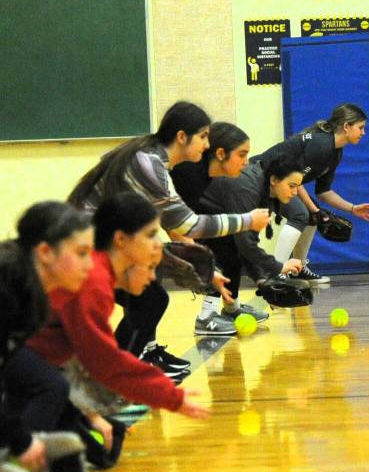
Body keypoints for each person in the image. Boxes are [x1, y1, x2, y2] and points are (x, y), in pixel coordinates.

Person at [68, 102, 271, 358]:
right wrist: (247, 221)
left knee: (148, 298)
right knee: (150, 299)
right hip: (86, 248)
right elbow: (189, 224)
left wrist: (207, 270)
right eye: (203, 137)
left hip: (101, 244)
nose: (206, 145)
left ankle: (134, 361)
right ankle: (120, 370)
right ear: (182, 137)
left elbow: (170, 224)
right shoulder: (149, 165)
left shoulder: (153, 160)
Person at [28, 193, 211, 460]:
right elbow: (105, 362)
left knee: (91, 458)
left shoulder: (99, 273)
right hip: (16, 358)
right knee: (50, 391)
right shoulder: (94, 280)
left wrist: (92, 413)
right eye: (150, 234)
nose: (155, 242)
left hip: (34, 361)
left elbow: (76, 359)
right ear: (121, 239)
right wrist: (168, 396)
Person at [0, 202, 97, 472]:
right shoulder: (7, 288)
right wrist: (21, 441)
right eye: (81, 252)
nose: (90, 264)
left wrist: (16, 439)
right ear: (45, 251)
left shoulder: (31, 295)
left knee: (46, 385)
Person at [248, 103, 369, 285]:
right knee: (302, 214)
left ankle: (296, 269)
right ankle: (275, 272)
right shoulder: (322, 145)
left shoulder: (335, 152)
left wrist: (352, 208)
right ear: (347, 127)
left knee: (309, 216)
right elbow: (293, 178)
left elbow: (324, 192)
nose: (363, 132)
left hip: (277, 181)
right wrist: (314, 209)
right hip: (258, 174)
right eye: (361, 127)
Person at [170, 121, 265, 334]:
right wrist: (201, 259)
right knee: (152, 297)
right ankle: (206, 317)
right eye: (242, 155)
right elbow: (175, 224)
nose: (246, 162)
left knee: (228, 242)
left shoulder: (205, 175)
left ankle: (230, 308)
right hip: (125, 218)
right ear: (221, 153)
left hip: (154, 214)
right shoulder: (189, 173)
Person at [195, 156, 308, 308]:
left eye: (297, 187)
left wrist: (262, 281)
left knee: (234, 251)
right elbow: (245, 243)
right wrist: (279, 267)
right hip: (191, 222)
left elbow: (249, 243)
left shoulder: (264, 192)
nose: (295, 193)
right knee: (229, 249)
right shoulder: (247, 189)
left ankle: (231, 310)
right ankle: (207, 317)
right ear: (274, 180)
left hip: (211, 220)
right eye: (292, 185)